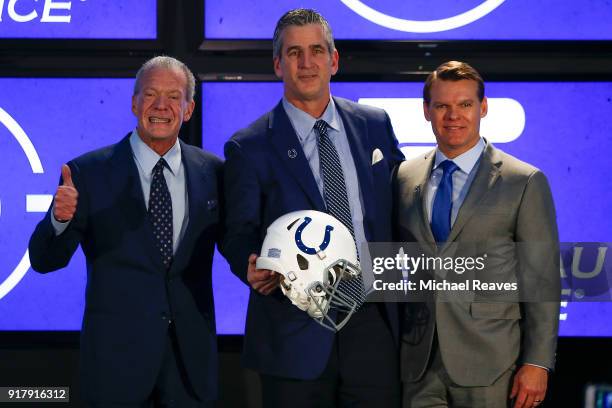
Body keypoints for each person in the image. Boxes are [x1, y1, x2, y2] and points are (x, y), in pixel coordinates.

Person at [223, 8, 405, 408]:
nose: (307, 63)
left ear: (334, 60)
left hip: (373, 326)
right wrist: (249, 263)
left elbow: (399, 211)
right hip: (293, 328)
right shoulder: (249, 146)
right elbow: (237, 230)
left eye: (317, 50)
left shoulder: (375, 125)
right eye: (294, 53)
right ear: (277, 65)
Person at [28, 56, 223, 408]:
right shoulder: (87, 173)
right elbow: (45, 260)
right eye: (150, 94)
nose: (161, 106)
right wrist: (59, 221)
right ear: (134, 103)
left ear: (189, 108)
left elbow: (237, 244)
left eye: (173, 96)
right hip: (114, 368)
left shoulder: (214, 173)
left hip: (190, 368)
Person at [394, 61, 560, 408]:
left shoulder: (523, 181)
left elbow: (542, 278)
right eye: (442, 105)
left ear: (483, 108)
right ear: (427, 111)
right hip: (418, 363)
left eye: (465, 104)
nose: (453, 115)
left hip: (492, 364)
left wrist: (537, 362)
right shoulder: (404, 177)